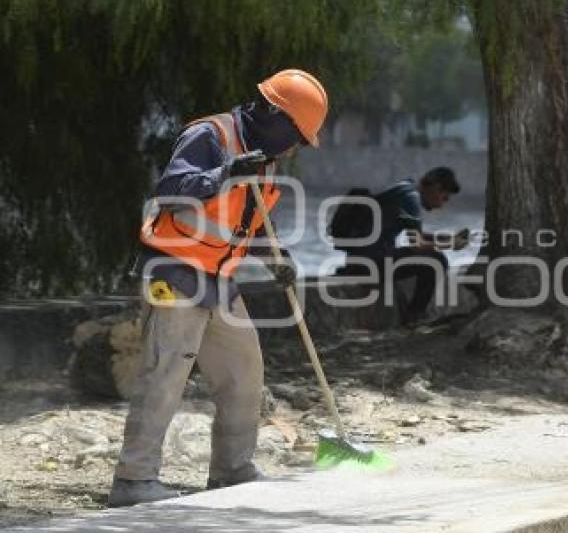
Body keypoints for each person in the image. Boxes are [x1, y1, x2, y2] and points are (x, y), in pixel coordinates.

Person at [108, 69, 328, 508]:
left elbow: (248, 223)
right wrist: (227, 171)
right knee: (166, 372)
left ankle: (232, 471)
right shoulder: (211, 135)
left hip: (219, 278)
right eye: (297, 135)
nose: (296, 146)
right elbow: (171, 189)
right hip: (175, 271)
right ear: (273, 113)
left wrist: (274, 259)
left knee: (244, 369)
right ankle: (133, 480)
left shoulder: (263, 158)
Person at [341, 168, 468, 325]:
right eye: (444, 198)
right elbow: (417, 245)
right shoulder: (411, 198)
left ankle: (413, 315)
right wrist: (451, 244)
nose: (441, 205)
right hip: (369, 266)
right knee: (436, 260)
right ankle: (414, 316)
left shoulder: (404, 189)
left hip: (358, 263)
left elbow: (415, 236)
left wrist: (449, 238)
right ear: (436, 188)